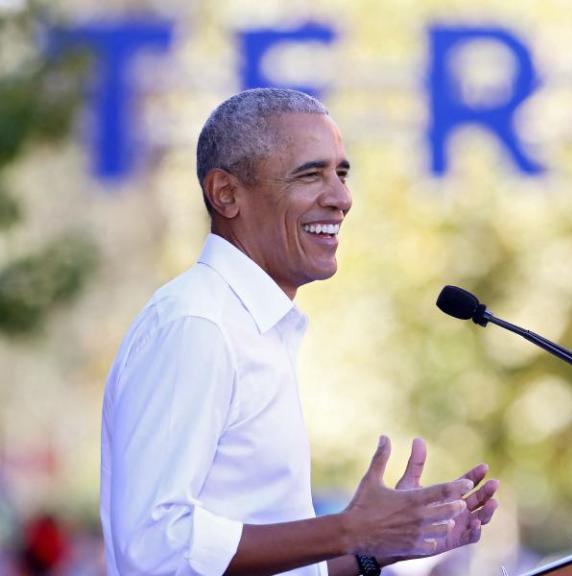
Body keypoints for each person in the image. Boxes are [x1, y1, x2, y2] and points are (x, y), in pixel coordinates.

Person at [100, 88, 499, 576]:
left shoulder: (254, 327)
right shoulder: (196, 326)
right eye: (311, 174)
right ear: (226, 193)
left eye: (342, 173)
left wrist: (376, 550)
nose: (342, 198)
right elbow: (153, 548)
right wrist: (350, 529)